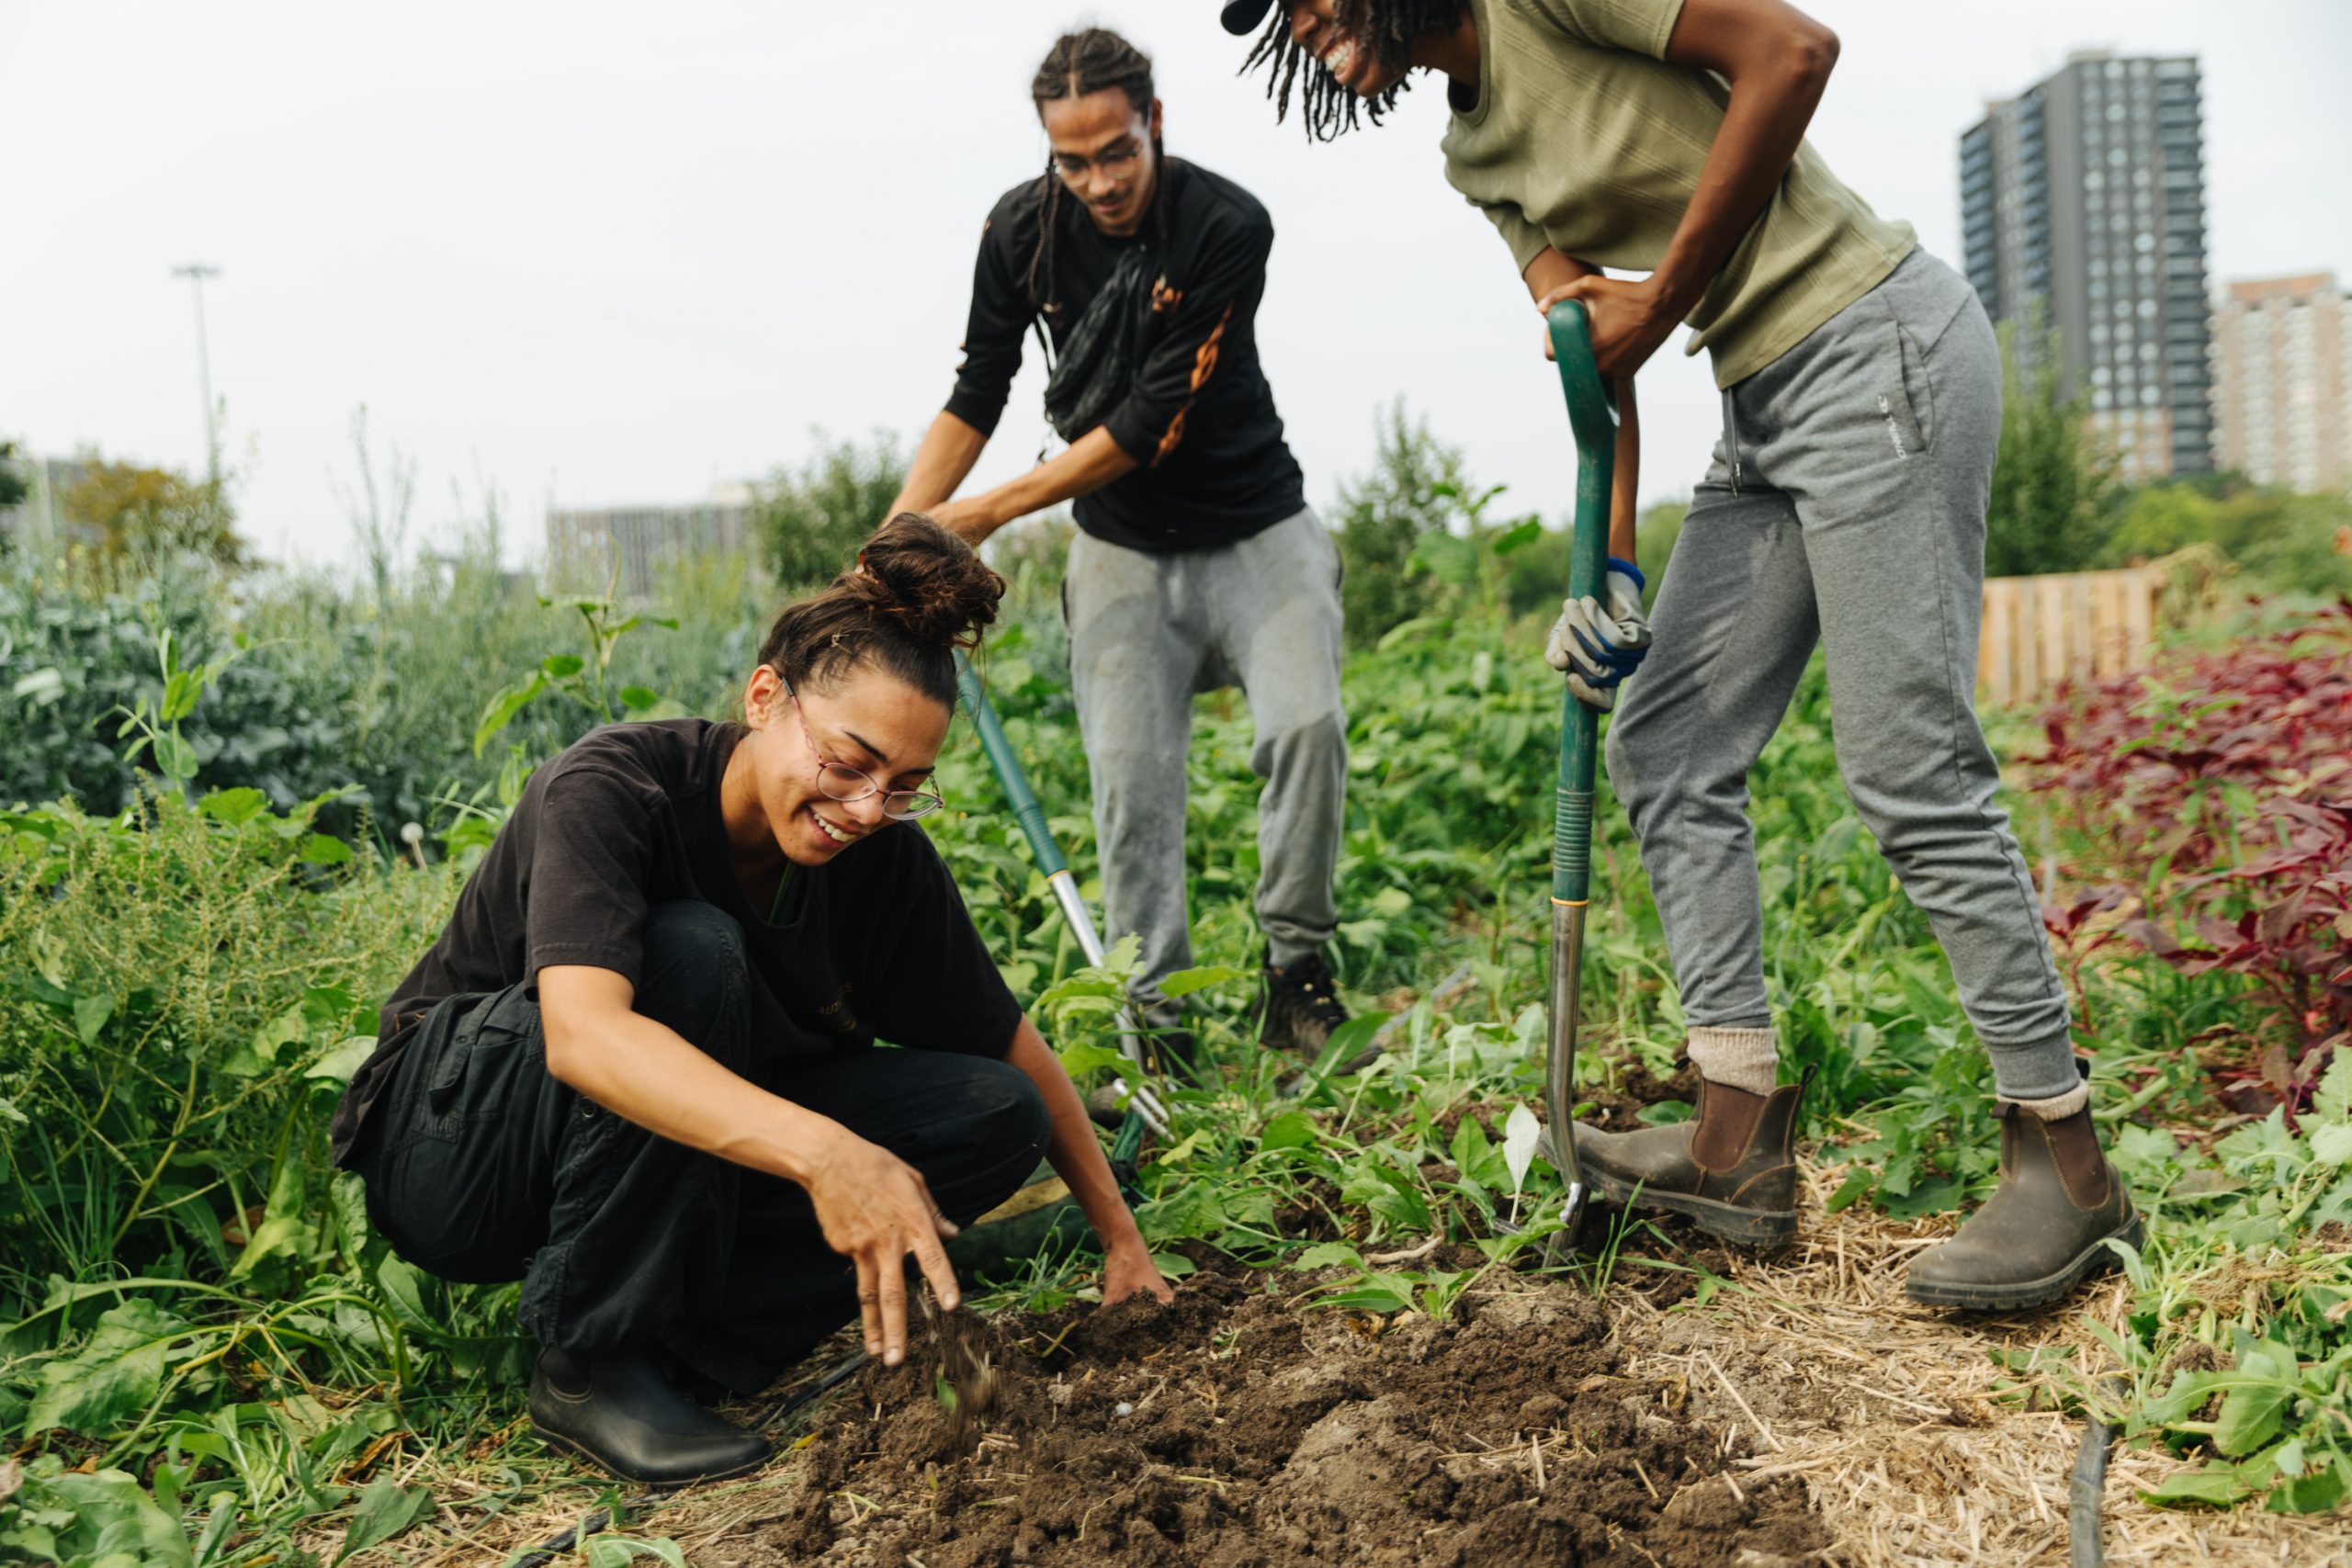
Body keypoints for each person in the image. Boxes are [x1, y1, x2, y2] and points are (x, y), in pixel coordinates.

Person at [1220, 0, 2141, 1309]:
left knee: (1909, 767)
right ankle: (1735, 1133)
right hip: (1761, 402)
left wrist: (1666, 297)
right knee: (1668, 740)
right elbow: (1593, 359)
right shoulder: (1474, 157)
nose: (1306, 26)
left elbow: (1793, 54)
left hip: (1875, 344)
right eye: (1283, 21)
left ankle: (2069, 1161)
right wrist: (1607, 571)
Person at [329, 516, 1170, 1487]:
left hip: (659, 1161)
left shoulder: (880, 860)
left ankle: (687, 1341)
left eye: (904, 787)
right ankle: (585, 1362)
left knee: (993, 1113)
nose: (866, 809)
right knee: (690, 949)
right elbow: (584, 1039)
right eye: (847, 762)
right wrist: (826, 1157)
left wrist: (1120, 1238)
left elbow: (1008, 1045)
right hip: (458, 1151)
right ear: (765, 696)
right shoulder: (615, 787)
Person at [890, 27, 1355, 1077]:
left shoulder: (1226, 224)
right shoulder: (1019, 233)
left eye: (1117, 152)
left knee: (1307, 728)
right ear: (1049, 152)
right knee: (1130, 778)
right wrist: (900, 529)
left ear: (1156, 126)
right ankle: (1159, 1026)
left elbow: (1151, 424)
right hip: (1122, 551)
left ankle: (1298, 975)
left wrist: (985, 514)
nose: (1098, 180)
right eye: (1073, 160)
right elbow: (978, 391)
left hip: (1255, 524)